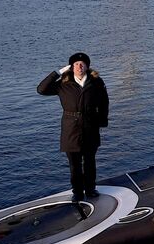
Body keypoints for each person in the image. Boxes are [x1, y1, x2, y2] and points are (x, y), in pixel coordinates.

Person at [37, 52, 110, 203]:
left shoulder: (96, 82)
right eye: (76, 64)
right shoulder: (63, 84)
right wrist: (57, 73)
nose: (79, 66)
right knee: (74, 164)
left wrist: (102, 121)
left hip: (90, 126)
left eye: (82, 64)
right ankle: (77, 192)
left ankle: (90, 189)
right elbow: (41, 90)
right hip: (70, 128)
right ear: (71, 67)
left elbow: (104, 102)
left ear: (87, 66)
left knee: (90, 161)